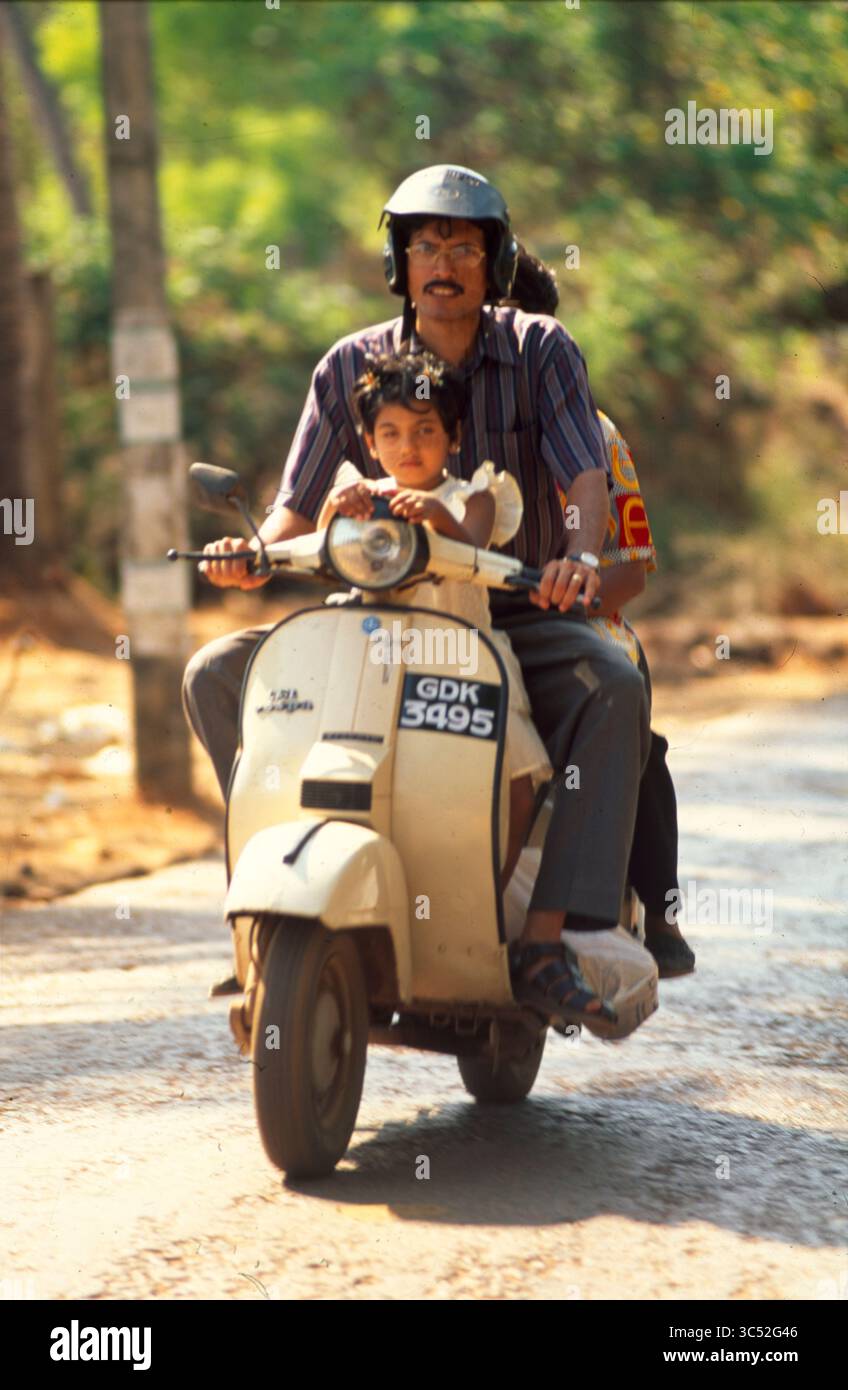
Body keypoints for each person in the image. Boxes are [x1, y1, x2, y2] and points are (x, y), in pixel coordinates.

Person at [183, 163, 650, 1023]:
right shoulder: (348, 365)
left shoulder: (542, 349)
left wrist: (579, 559)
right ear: (399, 262)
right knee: (216, 673)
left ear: (495, 262)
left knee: (612, 685)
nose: (443, 262)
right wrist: (251, 554)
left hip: (510, 605)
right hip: (367, 611)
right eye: (424, 244)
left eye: (464, 246)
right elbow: (292, 511)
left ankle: (548, 939)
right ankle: (262, 906)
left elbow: (584, 475)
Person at [503, 248, 695, 977]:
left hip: (581, 625)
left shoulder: (594, 433)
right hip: (457, 623)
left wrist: (568, 593)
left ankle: (659, 912)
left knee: (632, 720)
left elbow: (634, 568)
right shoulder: (425, 419)